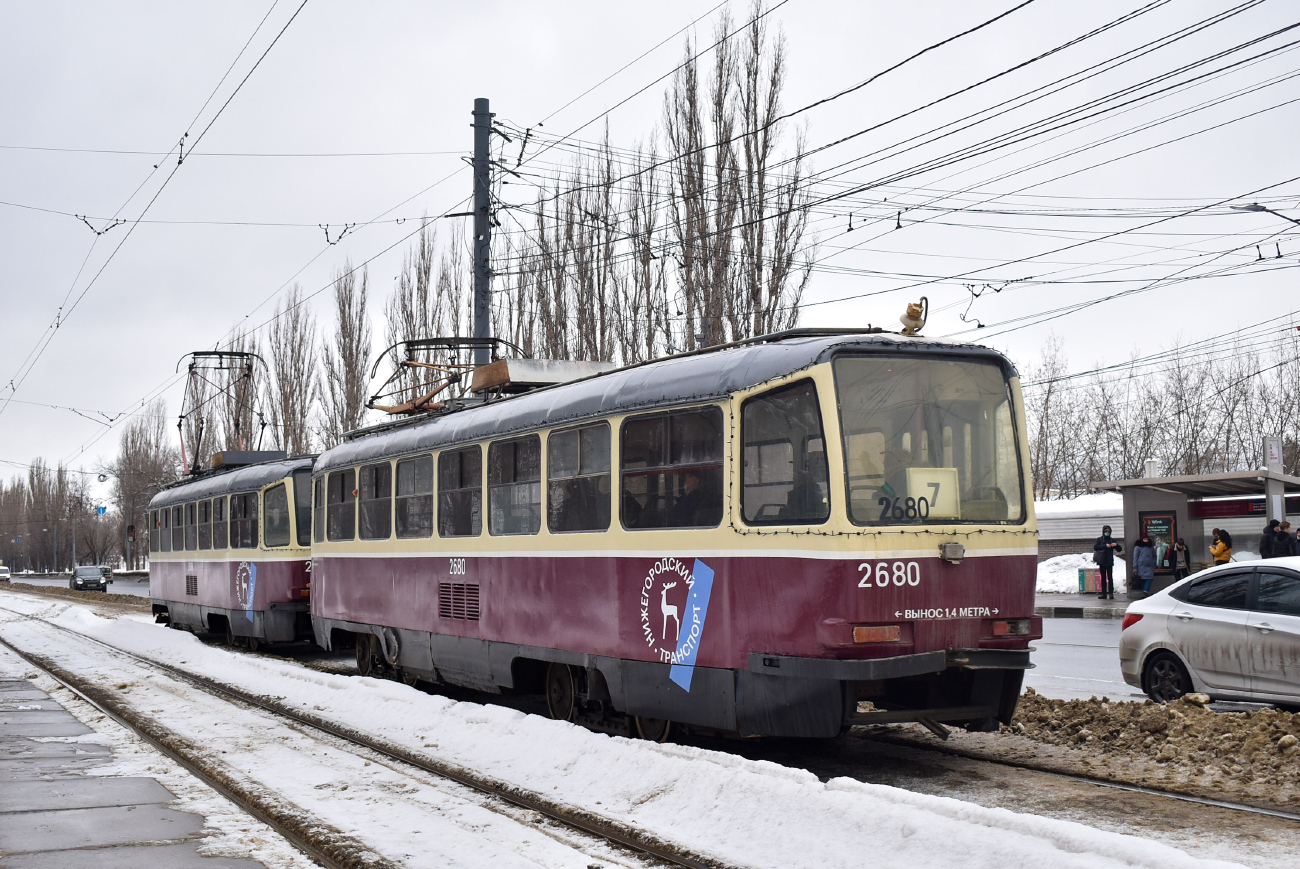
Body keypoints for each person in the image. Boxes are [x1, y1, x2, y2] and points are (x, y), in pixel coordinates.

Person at [1092, 525, 1123, 600]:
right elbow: (1095, 547)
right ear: (1103, 532)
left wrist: (1116, 545)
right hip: (1102, 561)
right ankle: (1103, 593)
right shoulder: (1099, 539)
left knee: (1110, 578)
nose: (1107, 533)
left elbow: (1119, 549)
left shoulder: (1112, 540)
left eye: (1109, 532)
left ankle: (1111, 593)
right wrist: (1105, 546)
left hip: (1109, 561)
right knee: (1103, 578)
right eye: (1106, 531)